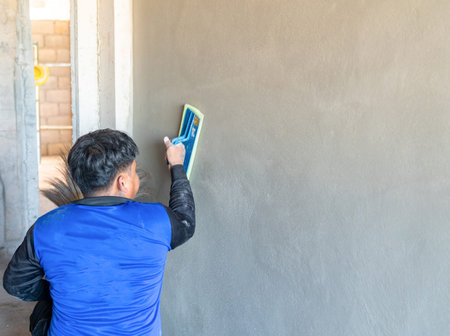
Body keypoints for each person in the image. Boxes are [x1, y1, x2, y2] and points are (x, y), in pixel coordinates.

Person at [3, 129, 195, 335]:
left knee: (45, 307)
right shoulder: (157, 221)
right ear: (123, 182)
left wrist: (56, 292)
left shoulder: (46, 227)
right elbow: (185, 218)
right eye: (133, 170)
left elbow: (15, 285)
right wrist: (176, 164)